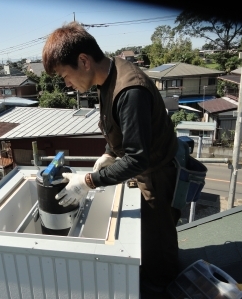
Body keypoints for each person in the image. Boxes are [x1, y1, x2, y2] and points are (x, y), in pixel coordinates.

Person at [42, 22, 180, 297]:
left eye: (65, 76)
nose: (67, 84)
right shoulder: (106, 76)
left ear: (84, 61)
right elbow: (115, 125)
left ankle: (164, 287)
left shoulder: (130, 91)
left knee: (159, 242)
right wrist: (108, 152)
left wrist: (88, 181)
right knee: (148, 239)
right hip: (146, 167)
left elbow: (137, 159)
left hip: (156, 173)